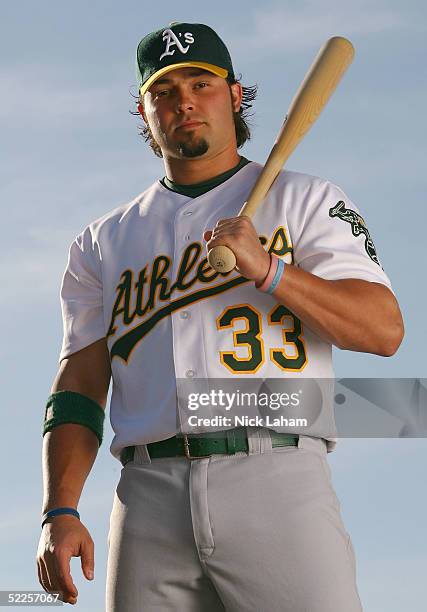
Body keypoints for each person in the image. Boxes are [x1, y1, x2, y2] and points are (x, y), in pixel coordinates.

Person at [37, 21, 404, 611]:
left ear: (235, 95)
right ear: (144, 110)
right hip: (146, 492)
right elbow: (79, 386)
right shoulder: (102, 242)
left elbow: (384, 329)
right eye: (164, 90)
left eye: (201, 83)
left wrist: (272, 271)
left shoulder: (307, 198)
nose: (184, 100)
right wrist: (60, 508)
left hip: (276, 473)